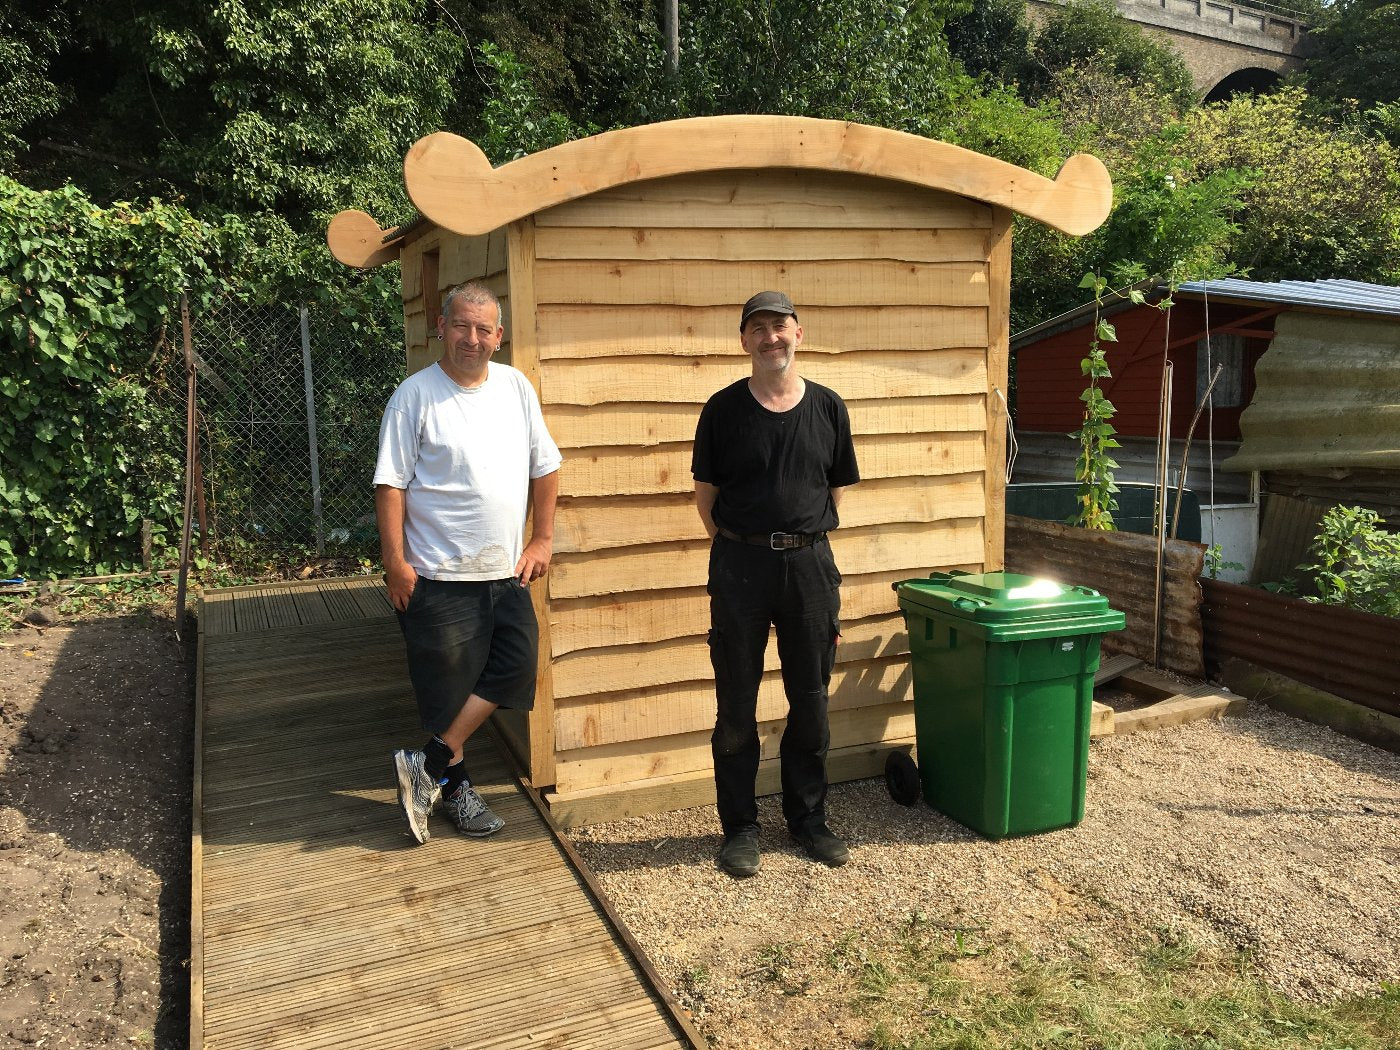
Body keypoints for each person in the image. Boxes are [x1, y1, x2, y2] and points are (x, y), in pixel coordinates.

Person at [373, 280, 561, 844]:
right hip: (437, 574)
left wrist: (543, 538)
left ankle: (425, 764)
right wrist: (395, 563)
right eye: (461, 326)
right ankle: (456, 790)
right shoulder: (415, 396)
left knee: (516, 667)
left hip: (505, 571)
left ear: (498, 336)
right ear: (441, 327)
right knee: (448, 692)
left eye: (483, 329)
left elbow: (545, 465)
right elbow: (390, 484)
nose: (471, 338)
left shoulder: (515, 387)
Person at [692, 290, 860, 878]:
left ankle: (807, 819)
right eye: (758, 329)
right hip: (739, 568)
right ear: (744, 340)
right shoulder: (721, 410)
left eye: (780, 327)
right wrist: (749, 545)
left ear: (799, 333)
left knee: (810, 701)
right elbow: (705, 499)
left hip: (811, 569)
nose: (771, 338)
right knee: (735, 702)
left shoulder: (829, 408)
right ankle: (739, 827)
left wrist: (797, 538)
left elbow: (834, 491)